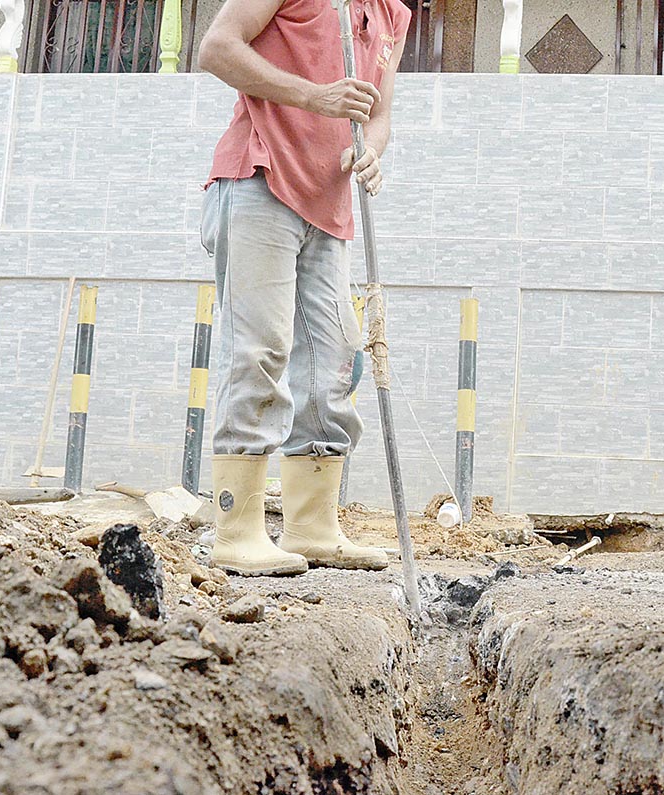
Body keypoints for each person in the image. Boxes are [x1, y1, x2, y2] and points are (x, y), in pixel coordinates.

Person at [196, 0, 410, 576]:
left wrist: (372, 149)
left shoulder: (393, 14)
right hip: (260, 182)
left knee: (334, 359)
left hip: (329, 202)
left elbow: (380, 110)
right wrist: (314, 97)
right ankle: (236, 529)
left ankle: (312, 527)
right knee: (261, 349)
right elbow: (216, 47)